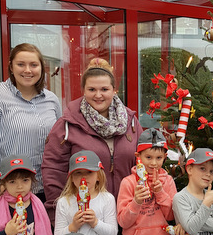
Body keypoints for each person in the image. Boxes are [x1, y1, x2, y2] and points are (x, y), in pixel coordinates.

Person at [42, 57, 142, 222]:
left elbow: (142, 163)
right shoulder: (67, 125)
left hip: (127, 214)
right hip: (84, 216)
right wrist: (58, 215)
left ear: (113, 90)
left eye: (104, 89)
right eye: (92, 89)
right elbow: (53, 171)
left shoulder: (131, 122)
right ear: (83, 91)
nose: (98, 95)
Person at [0, 43, 61, 213]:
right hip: (7, 194)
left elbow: (59, 142)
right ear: (10, 66)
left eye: (33, 65)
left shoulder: (51, 99)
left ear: (41, 68)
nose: (27, 70)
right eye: (21, 64)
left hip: (44, 192)